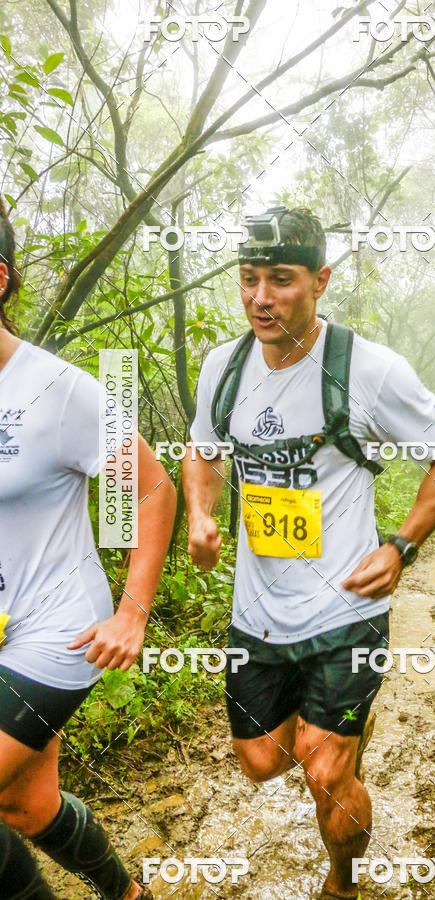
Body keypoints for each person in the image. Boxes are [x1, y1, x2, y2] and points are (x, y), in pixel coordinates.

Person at [183, 206, 435, 900]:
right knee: (259, 761)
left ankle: (341, 879)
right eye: (249, 280)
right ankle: (341, 734)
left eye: (280, 280)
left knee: (323, 771)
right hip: (258, 612)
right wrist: (200, 512)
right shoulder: (224, 368)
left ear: (321, 281)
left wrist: (401, 546)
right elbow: (203, 451)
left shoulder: (367, 370)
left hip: (346, 608)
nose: (260, 298)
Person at [0, 197, 177, 899]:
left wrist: (133, 612)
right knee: (25, 805)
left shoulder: (56, 389)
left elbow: (155, 488)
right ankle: (128, 894)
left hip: (58, 630)